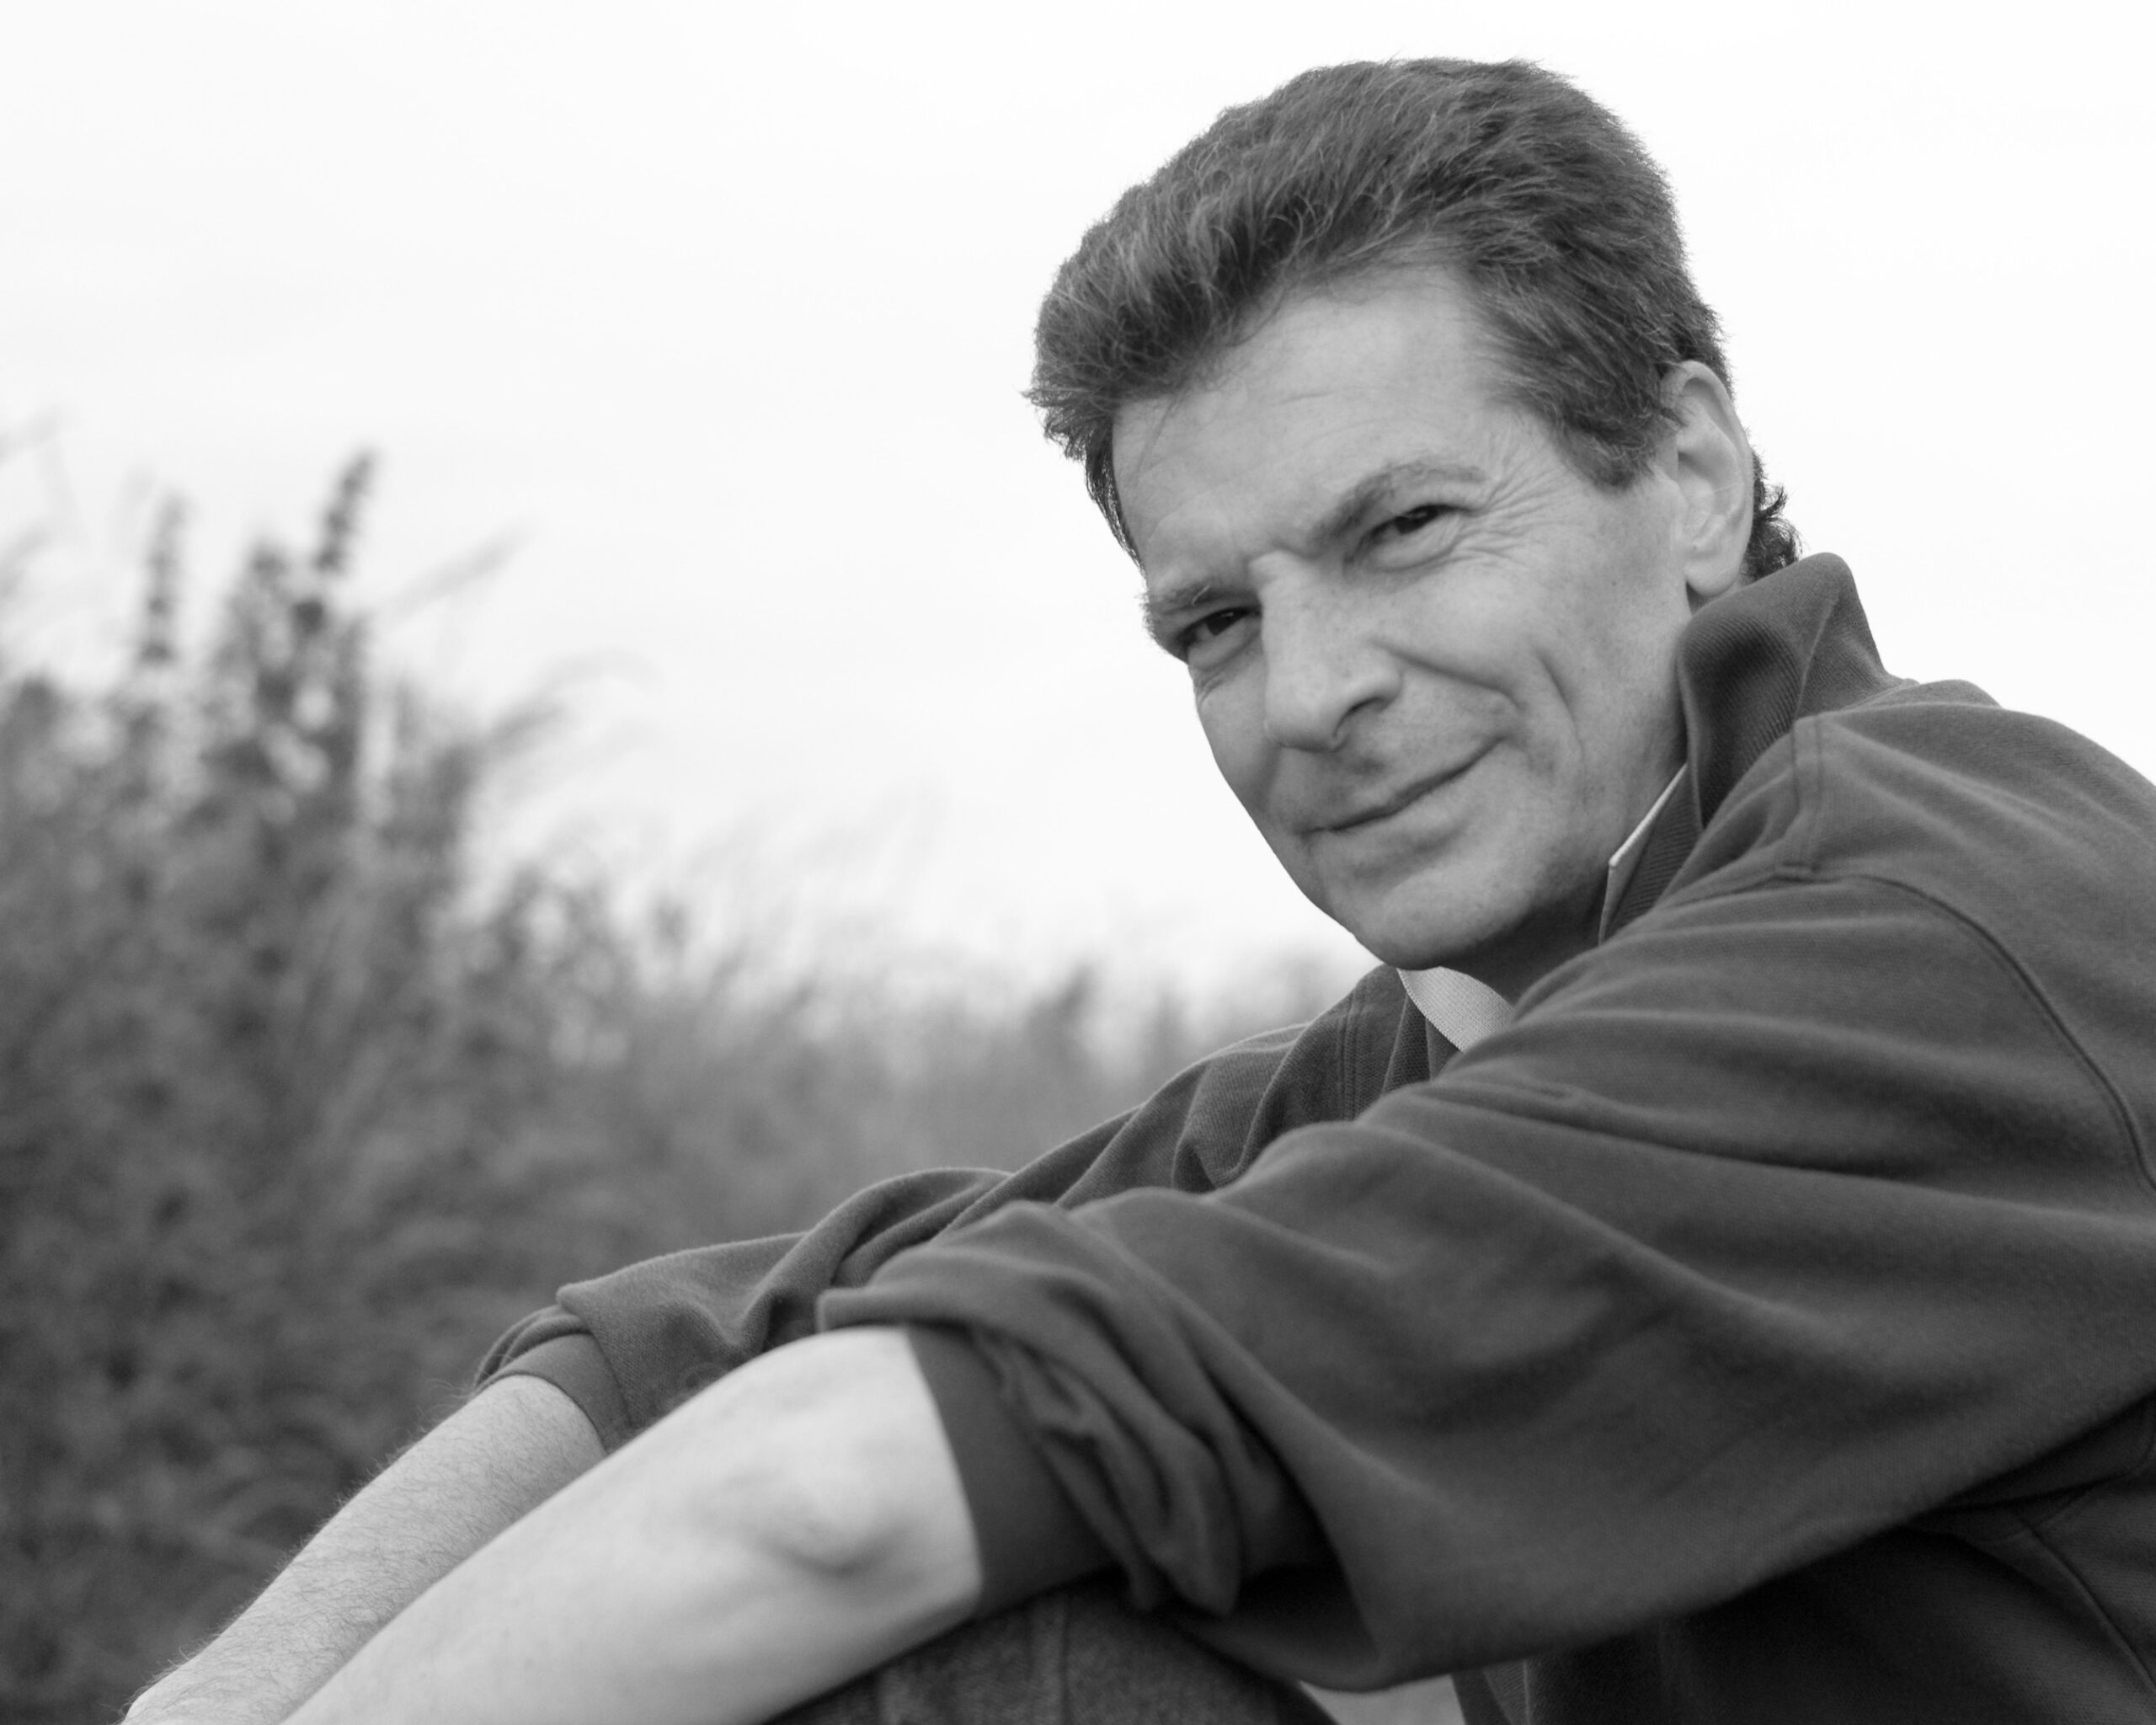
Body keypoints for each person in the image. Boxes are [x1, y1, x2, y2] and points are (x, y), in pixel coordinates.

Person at [128, 57, 2156, 1725]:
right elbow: (681, 1359)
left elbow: (824, 1500)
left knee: (977, 1668)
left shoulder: (1932, 936)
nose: (1313, 692)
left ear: (1691, 473)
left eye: (1403, 527)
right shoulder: (1467, 1044)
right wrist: (227, 1695)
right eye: (1213, 622)